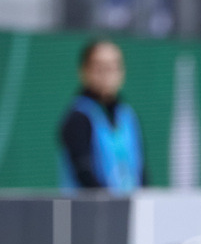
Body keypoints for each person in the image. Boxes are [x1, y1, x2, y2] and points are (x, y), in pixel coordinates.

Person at [58, 39, 147, 193]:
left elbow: (142, 171)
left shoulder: (128, 116)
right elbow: (84, 174)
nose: (107, 74)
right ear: (84, 71)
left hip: (129, 210)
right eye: (100, 67)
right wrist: (109, 206)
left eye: (113, 67)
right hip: (87, 212)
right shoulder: (78, 118)